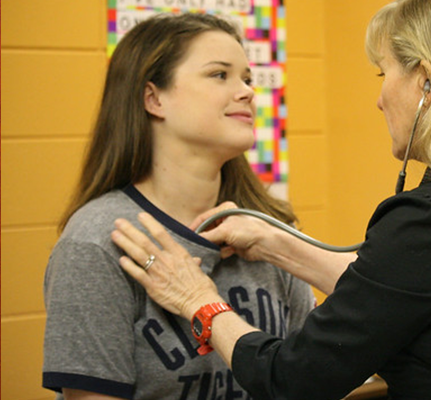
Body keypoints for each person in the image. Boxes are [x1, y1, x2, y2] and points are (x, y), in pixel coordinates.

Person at [111, 0, 431, 399]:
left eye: (382, 73)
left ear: (427, 83)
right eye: (219, 76)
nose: (378, 97)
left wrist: (198, 299)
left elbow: (292, 380)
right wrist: (275, 244)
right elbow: (411, 292)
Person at [42, 13, 316, 400]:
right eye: (220, 75)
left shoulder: (269, 232)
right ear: (153, 98)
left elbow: (314, 379)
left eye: (247, 79)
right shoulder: (97, 241)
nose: (247, 93)